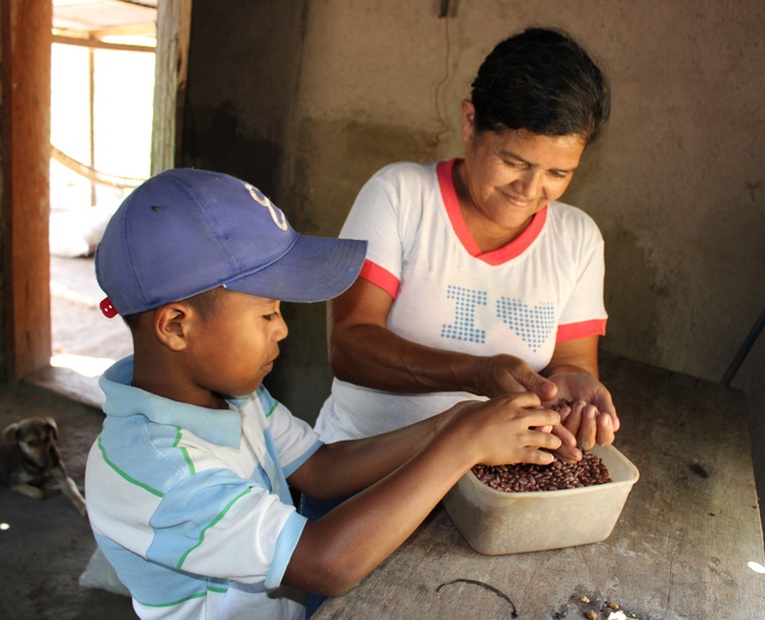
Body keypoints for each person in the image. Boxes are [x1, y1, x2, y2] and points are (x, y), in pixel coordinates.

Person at [84, 168, 566, 620]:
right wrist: (461, 445)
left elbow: (320, 468)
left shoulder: (230, 396)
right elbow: (324, 563)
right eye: (267, 313)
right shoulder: (154, 469)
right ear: (175, 326)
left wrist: (452, 422)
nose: (283, 330)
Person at [312, 26, 618, 483]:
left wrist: (574, 389)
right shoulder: (400, 196)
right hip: (363, 469)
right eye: (514, 162)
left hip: (489, 487)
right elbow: (350, 346)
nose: (531, 190)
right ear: (469, 122)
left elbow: (572, 364)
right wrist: (476, 373)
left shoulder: (578, 240)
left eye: (558, 172)